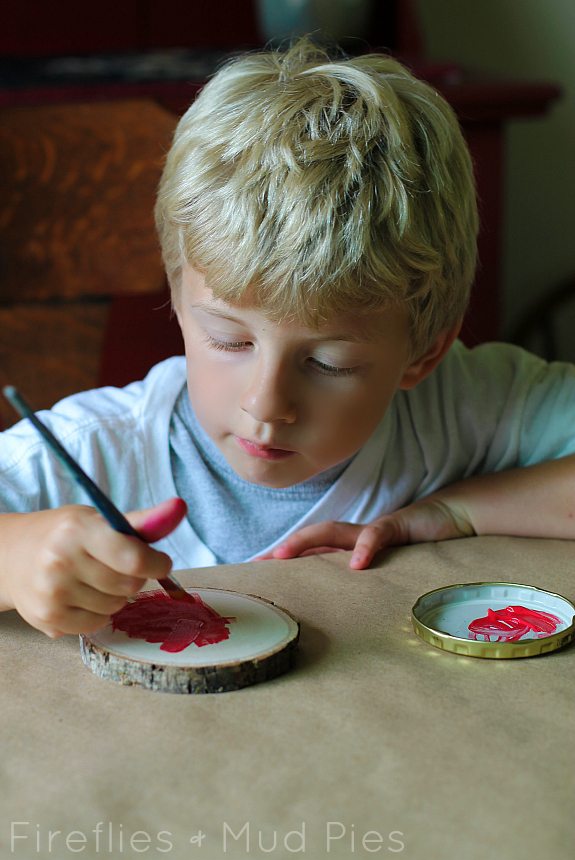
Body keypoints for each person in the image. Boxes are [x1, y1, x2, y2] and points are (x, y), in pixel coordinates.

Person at [1, 39, 575, 641]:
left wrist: (456, 513)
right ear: (178, 301)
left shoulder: (456, 411)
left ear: (424, 351)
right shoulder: (99, 451)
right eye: (229, 340)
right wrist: (14, 560)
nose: (266, 404)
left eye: (330, 363)